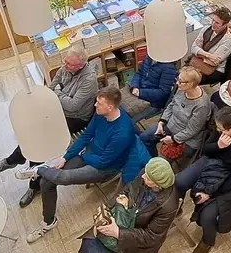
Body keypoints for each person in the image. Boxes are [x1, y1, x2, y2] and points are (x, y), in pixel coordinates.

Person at [23, 87, 150, 242]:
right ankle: (49, 222)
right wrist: (66, 157)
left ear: (110, 107)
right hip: (91, 154)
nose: (95, 105)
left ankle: (40, 169)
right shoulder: (101, 114)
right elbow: (86, 135)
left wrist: (84, 155)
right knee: (47, 181)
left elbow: (104, 162)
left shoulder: (123, 132)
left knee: (64, 177)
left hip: (104, 168)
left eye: (99, 103)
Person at [0, 47, 98, 208]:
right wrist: (58, 94)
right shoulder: (66, 68)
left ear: (81, 65)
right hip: (58, 109)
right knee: (34, 131)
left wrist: (57, 93)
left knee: (41, 140)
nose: (64, 65)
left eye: (69, 64)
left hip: (77, 118)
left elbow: (73, 106)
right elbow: (50, 89)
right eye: (65, 61)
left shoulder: (89, 80)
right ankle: (17, 163)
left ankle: (23, 174)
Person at [76, 157, 177, 253]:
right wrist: (109, 208)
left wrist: (118, 233)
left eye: (148, 177)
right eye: (145, 172)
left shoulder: (168, 205)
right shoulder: (145, 174)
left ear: (158, 184)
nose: (143, 176)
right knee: (89, 243)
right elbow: (127, 189)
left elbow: (151, 237)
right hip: (123, 220)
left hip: (138, 240)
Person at [175, 107, 231, 253]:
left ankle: (207, 241)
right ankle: (177, 208)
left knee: (208, 216)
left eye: (221, 129)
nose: (218, 130)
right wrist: (218, 146)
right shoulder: (222, 127)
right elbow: (205, 149)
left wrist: (209, 192)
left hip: (227, 176)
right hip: (212, 160)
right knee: (180, 181)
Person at [139, 67, 211, 159]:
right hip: (171, 125)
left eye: (180, 81)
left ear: (190, 84)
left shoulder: (201, 106)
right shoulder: (182, 89)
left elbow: (192, 130)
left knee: (165, 159)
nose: (177, 83)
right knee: (144, 137)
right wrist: (162, 122)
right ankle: (152, 158)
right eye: (177, 79)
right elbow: (171, 105)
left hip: (187, 137)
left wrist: (173, 139)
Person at [188, 6, 231, 84]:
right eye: (213, 20)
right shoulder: (206, 29)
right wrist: (209, 55)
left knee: (188, 80)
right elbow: (193, 48)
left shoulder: (227, 40)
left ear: (225, 25)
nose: (213, 24)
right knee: (181, 75)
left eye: (217, 23)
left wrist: (199, 52)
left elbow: (214, 62)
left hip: (214, 70)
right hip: (198, 61)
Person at [127, 55, 179, 124]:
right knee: (120, 104)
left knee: (130, 119)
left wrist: (141, 93)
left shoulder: (169, 67)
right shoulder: (149, 57)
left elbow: (163, 92)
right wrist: (134, 86)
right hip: (140, 91)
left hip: (154, 102)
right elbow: (139, 73)